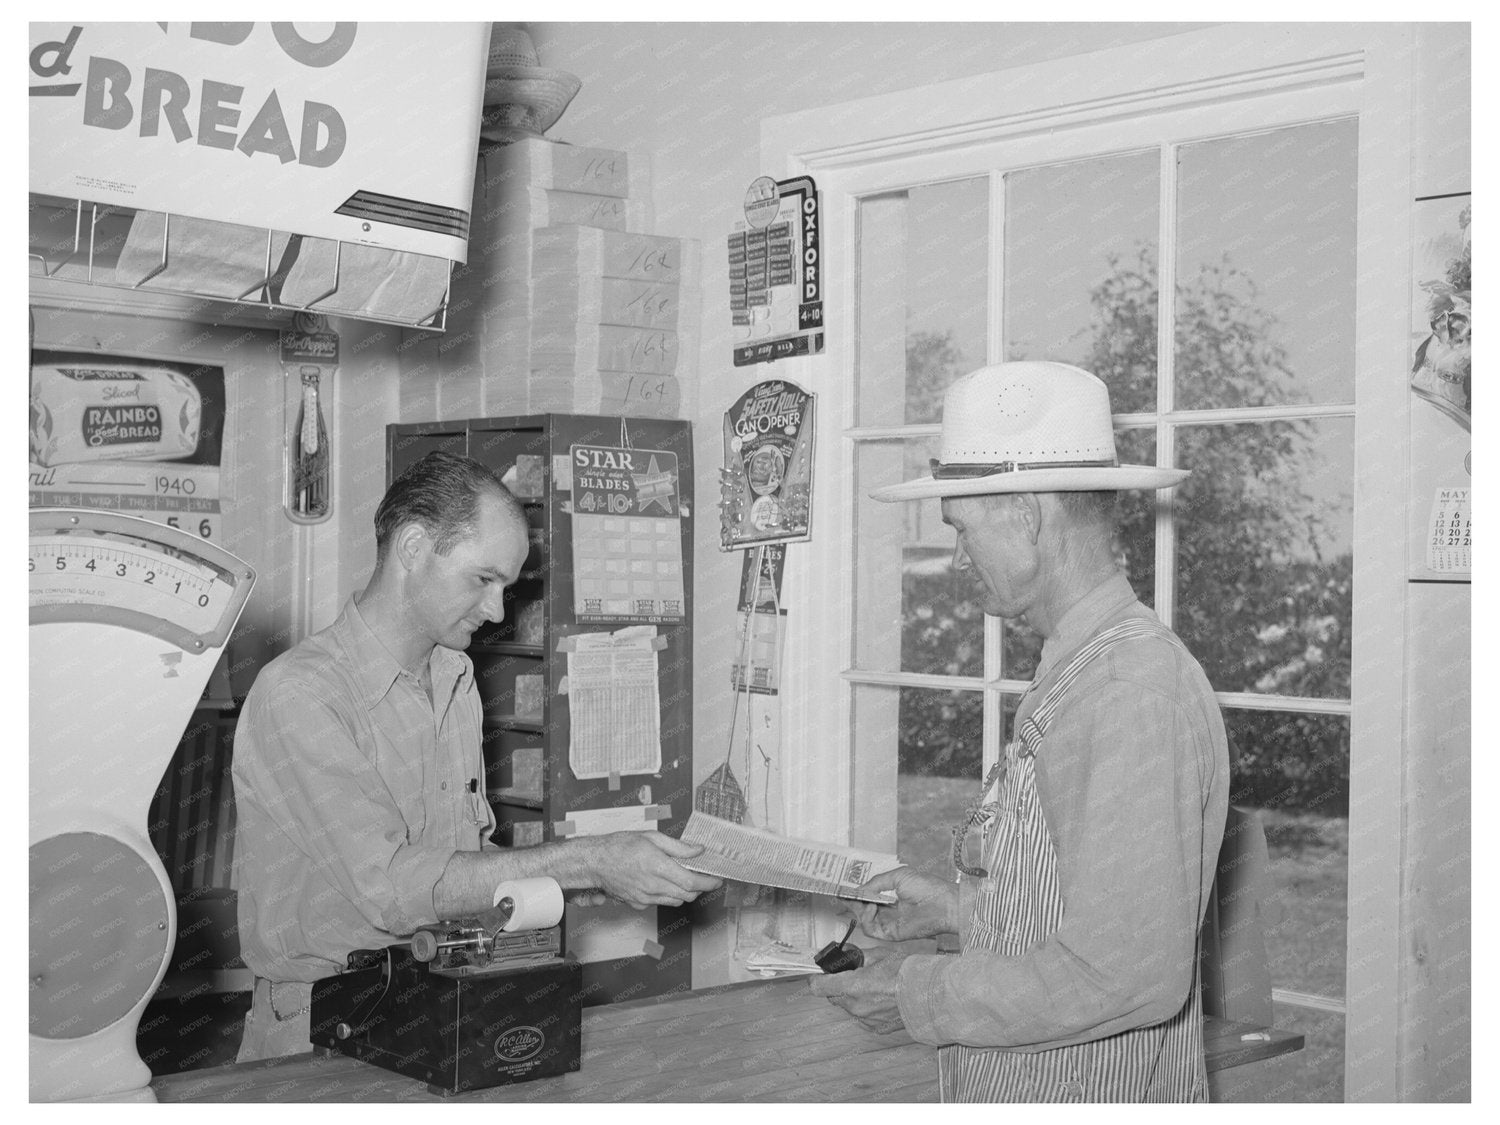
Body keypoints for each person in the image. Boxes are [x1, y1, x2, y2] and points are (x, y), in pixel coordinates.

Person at [810, 361, 1230, 1102]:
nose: (959, 556)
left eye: (962, 529)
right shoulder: (1084, 669)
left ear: (1028, 514)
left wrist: (917, 996)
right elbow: (1084, 913)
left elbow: (1123, 973)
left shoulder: (1126, 692)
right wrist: (956, 910)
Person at [232, 451, 719, 1061]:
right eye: (482, 579)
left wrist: (606, 877)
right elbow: (389, 888)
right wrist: (588, 861)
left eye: (506, 588)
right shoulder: (300, 694)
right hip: (325, 1029)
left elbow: (462, 864)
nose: (495, 611)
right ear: (413, 547)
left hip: (438, 1000)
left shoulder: (455, 676)